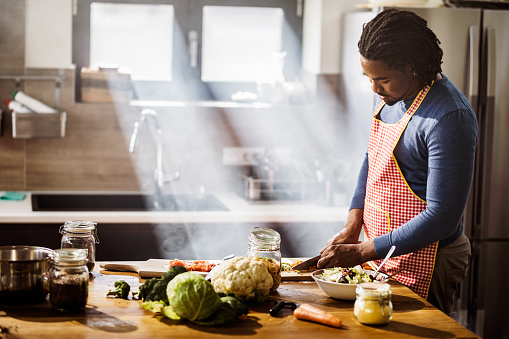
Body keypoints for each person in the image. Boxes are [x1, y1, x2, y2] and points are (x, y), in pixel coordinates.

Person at [317, 8, 478, 316]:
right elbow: (373, 160)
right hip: (383, 253)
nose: (375, 89)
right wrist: (353, 225)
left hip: (429, 259)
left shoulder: (449, 116)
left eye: (383, 80)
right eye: (370, 78)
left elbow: (443, 216)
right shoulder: (394, 96)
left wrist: (364, 250)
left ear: (413, 67)